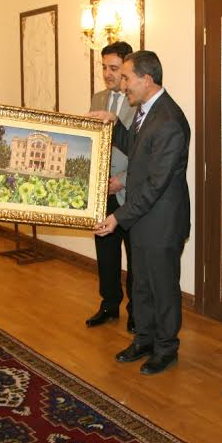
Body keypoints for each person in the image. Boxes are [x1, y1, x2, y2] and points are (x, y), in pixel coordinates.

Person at [90, 50, 190, 375]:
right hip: (144, 219)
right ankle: (144, 340)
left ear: (146, 79)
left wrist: (118, 217)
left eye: (127, 77)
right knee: (142, 285)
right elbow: (136, 149)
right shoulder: (146, 111)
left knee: (163, 289)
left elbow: (155, 184)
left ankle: (166, 348)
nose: (122, 84)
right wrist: (113, 123)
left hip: (162, 222)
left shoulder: (170, 121)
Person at [86, 41, 137, 332]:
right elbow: (92, 142)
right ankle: (108, 305)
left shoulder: (139, 101)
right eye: (104, 67)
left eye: (114, 68)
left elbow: (144, 151)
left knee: (135, 256)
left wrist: (122, 181)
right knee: (106, 253)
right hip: (102, 191)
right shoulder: (98, 98)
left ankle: (136, 311)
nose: (107, 73)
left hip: (129, 191)